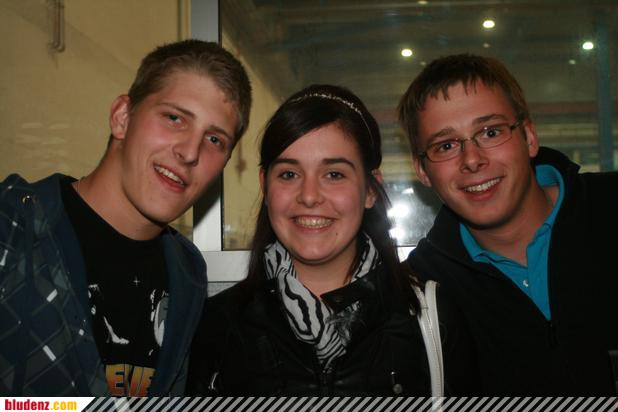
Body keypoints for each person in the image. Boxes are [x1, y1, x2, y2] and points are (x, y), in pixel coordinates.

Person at [187, 84, 477, 396]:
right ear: (265, 186)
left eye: (334, 174)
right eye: (289, 174)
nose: (309, 196)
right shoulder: (217, 325)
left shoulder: (430, 318)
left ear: (370, 189)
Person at [0, 39, 252, 396]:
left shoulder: (187, 273)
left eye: (214, 140)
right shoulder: (14, 230)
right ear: (122, 117)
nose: (190, 152)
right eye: (174, 118)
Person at [398, 53, 618, 394]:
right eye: (446, 145)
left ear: (529, 136)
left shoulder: (609, 208)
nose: (472, 159)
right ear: (423, 171)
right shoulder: (420, 292)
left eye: (490, 132)